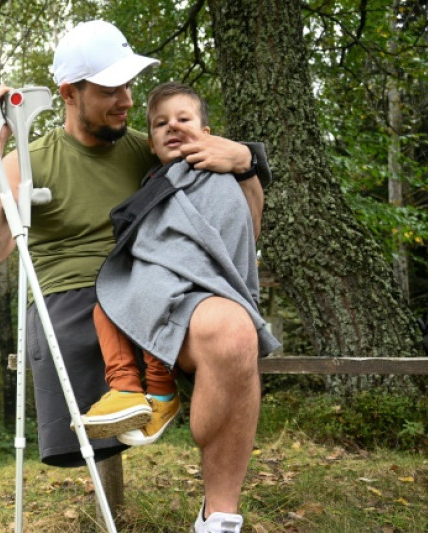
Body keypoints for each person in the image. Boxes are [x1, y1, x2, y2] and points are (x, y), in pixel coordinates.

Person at [0, 20, 269, 533]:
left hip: (161, 290)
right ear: (69, 93)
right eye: (109, 89)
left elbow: (244, 224)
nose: (127, 100)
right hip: (75, 303)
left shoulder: (147, 149)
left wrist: (247, 161)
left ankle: (218, 518)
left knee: (237, 332)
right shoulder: (30, 162)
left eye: (129, 85)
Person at [82, 82, 280, 452]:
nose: (172, 126)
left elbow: (233, 236)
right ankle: (125, 389)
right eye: (161, 123)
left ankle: (160, 390)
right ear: (151, 144)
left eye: (183, 118)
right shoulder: (155, 183)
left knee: (152, 293)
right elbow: (150, 237)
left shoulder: (217, 178)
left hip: (198, 292)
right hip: (160, 284)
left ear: (207, 135)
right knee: (105, 306)